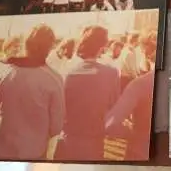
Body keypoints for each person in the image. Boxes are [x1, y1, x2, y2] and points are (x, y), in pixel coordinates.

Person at [0, 24, 64, 160]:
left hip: (0, 151)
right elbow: (56, 126)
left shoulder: (2, 73)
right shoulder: (55, 79)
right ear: (49, 48)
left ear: (26, 44)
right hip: (32, 154)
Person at [55, 26, 120, 160]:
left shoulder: (66, 71)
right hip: (93, 137)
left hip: (69, 136)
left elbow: (59, 109)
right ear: (102, 47)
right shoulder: (111, 73)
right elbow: (113, 108)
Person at [105, 30, 157, 160]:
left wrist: (133, 133)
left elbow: (110, 124)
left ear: (145, 53)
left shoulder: (140, 84)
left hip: (139, 152)